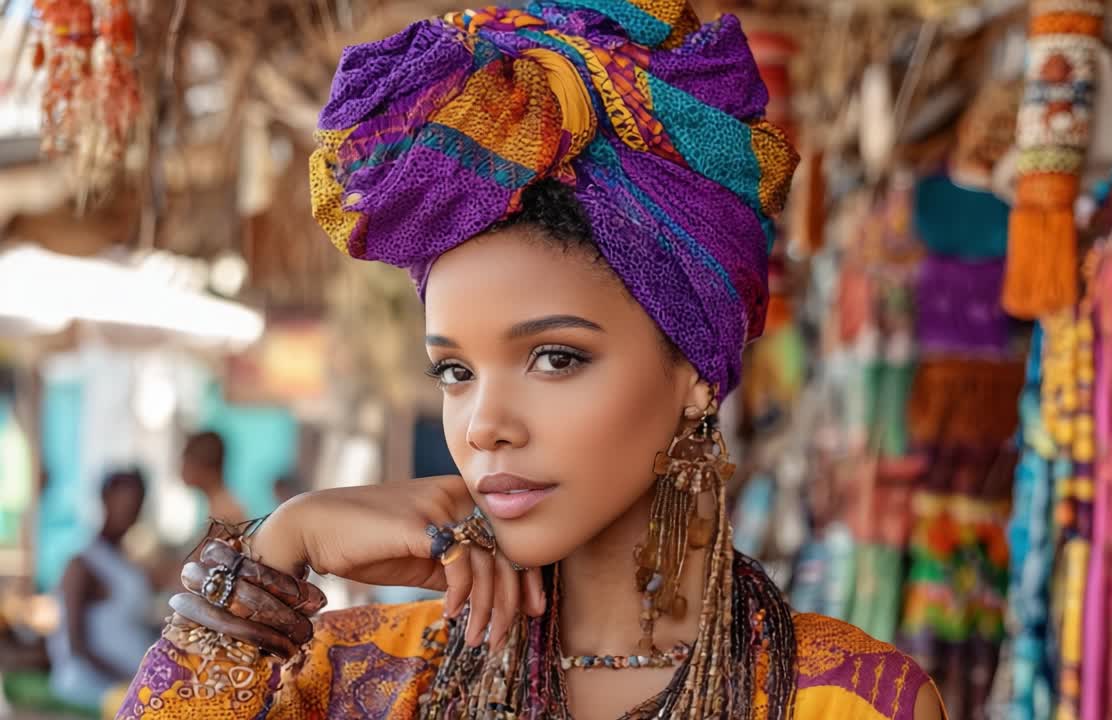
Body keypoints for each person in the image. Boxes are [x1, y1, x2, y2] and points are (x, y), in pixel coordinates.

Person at [116, 1, 946, 718]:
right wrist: (272, 552)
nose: (485, 427)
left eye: (554, 358)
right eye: (455, 372)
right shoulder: (354, 675)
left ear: (693, 371)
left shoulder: (846, 699)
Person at [49, 469, 154, 714]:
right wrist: (130, 679)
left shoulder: (126, 562)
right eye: (124, 502)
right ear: (105, 500)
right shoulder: (83, 564)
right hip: (92, 684)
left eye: (137, 504)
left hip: (127, 681)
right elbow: (75, 645)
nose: (131, 511)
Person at [180, 431, 246, 525]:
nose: (182, 468)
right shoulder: (221, 505)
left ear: (204, 467)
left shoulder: (224, 513)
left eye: (187, 461)